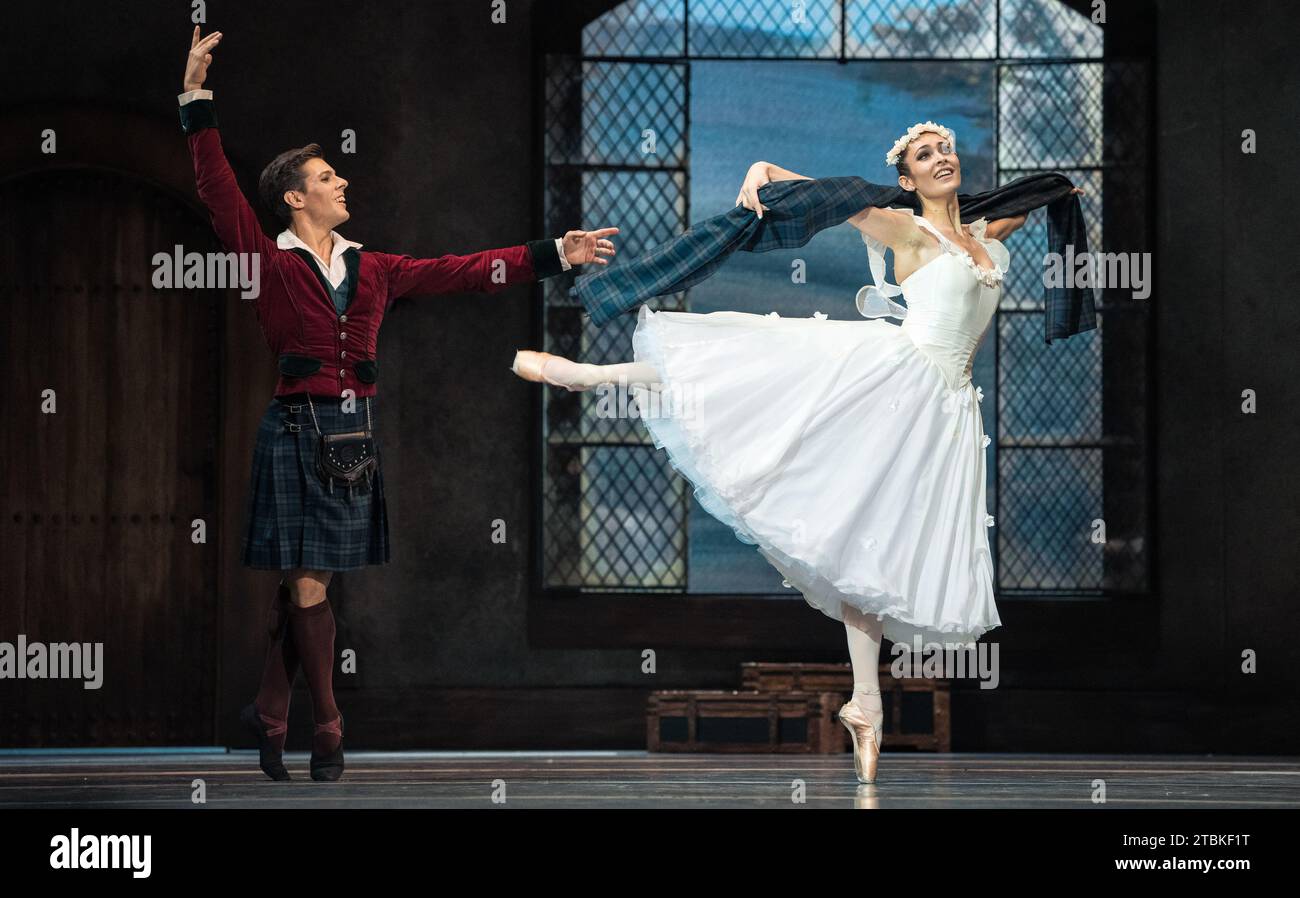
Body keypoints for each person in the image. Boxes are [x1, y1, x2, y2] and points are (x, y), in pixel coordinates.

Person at [512, 122, 1085, 784]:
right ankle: (593, 376)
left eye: (945, 149)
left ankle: (865, 703)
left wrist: (1061, 191)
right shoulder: (906, 231)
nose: (942, 157)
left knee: (878, 551)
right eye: (925, 154)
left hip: (947, 411)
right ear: (907, 180)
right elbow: (833, 198)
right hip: (896, 376)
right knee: (750, 370)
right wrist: (764, 166)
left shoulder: (984, 242)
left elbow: (1020, 207)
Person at [179, 27, 617, 782]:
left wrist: (551, 255)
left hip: (354, 435)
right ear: (295, 197)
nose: (343, 183)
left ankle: (271, 713)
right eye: (326, 177)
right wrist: (195, 96)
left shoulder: (374, 269)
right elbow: (217, 186)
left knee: (306, 585)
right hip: (295, 428)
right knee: (312, 582)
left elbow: (461, 271)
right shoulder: (268, 259)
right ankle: (327, 726)